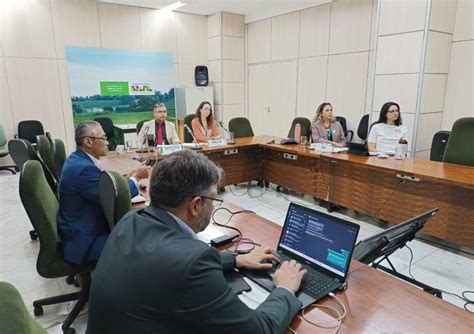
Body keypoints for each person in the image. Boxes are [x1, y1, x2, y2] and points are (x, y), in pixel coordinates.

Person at [87, 151, 306, 334]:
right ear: (196, 205)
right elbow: (257, 331)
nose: (214, 206)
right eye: (214, 199)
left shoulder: (132, 219)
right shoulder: (192, 261)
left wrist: (237, 259)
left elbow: (166, 267)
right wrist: (285, 288)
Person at [57, 121, 151, 264]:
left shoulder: (78, 160)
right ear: (88, 141)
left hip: (83, 228)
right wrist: (135, 178)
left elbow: (103, 188)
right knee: (144, 243)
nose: (107, 142)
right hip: (84, 243)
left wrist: (128, 178)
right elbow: (115, 199)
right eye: (104, 138)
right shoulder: (83, 169)